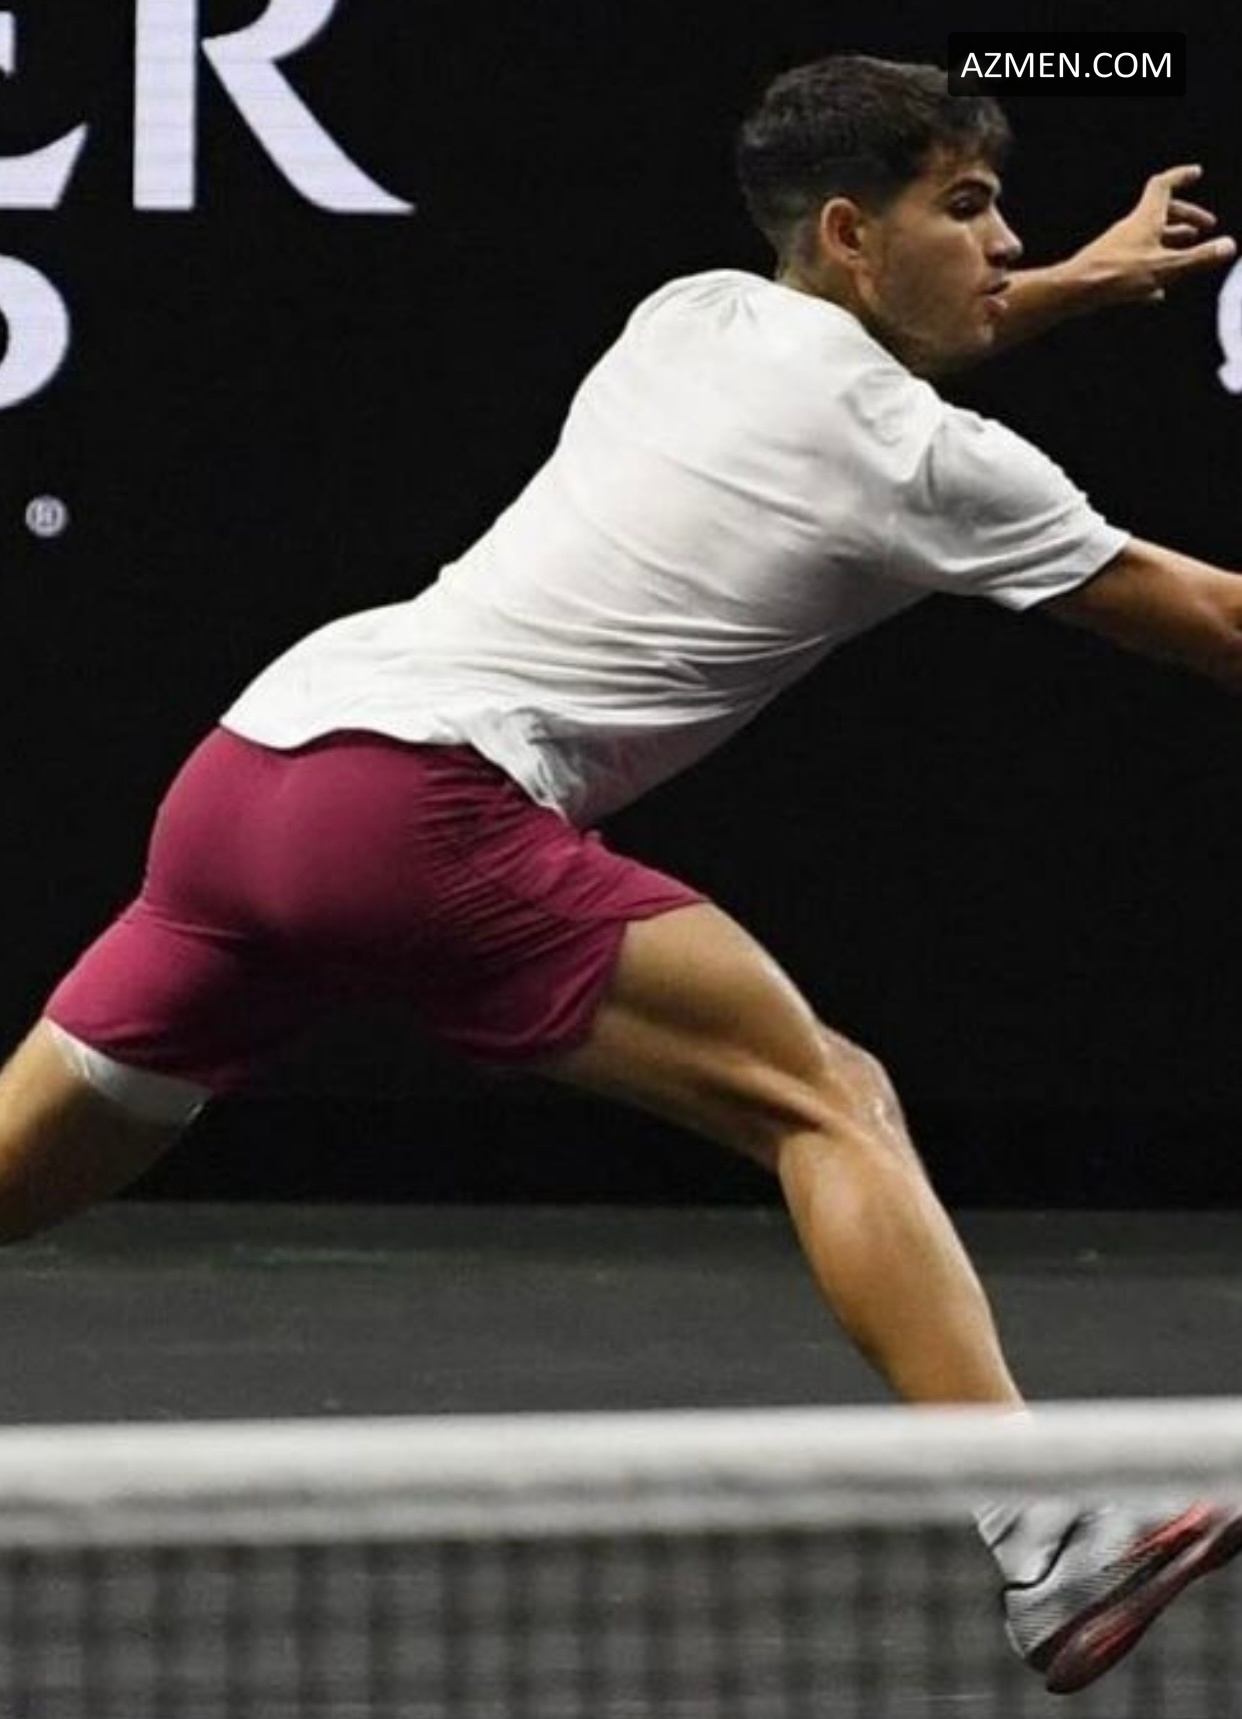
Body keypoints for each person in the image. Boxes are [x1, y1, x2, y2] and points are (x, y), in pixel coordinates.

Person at [1, 51, 1239, 1690]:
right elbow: (1212, 620)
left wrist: (1085, 278)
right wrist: (1071, 292)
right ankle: (1047, 1529)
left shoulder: (688, 316)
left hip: (247, 778)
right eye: (968, 206)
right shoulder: (930, 463)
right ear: (851, 233)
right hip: (417, 811)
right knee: (827, 1100)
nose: (1006, 244)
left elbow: (915, 334)